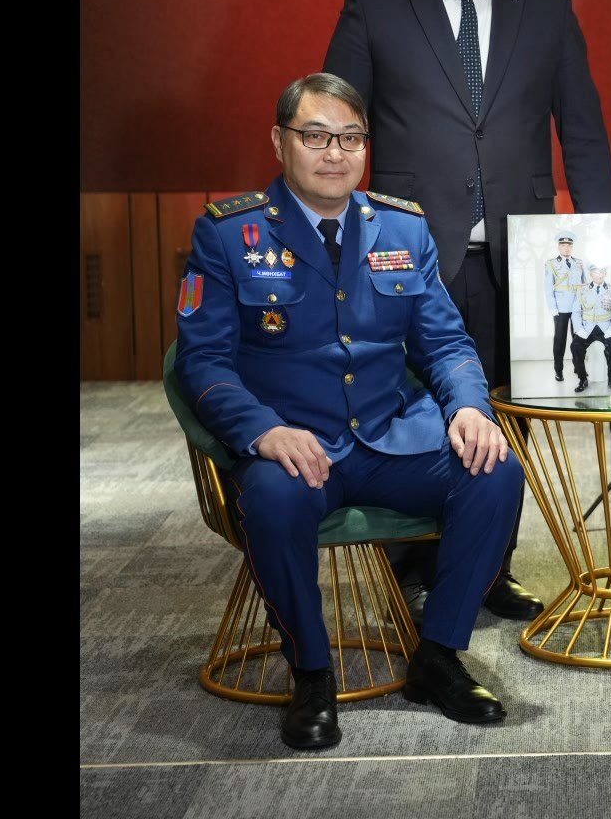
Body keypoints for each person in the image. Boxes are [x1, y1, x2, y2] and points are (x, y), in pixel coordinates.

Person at [174, 73, 524, 751]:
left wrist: (470, 407)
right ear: (279, 141)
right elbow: (203, 362)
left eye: (350, 138)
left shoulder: (403, 227)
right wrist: (263, 430)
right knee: (273, 500)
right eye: (315, 136)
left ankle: (439, 656)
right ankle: (311, 674)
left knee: (495, 470)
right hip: (295, 446)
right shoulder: (230, 233)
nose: (334, 153)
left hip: (391, 436)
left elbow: (445, 342)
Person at [324, 0, 611, 622]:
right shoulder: (375, 6)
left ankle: (490, 567)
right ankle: (414, 568)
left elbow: (583, 132)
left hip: (521, 256)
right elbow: (336, 128)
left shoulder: (546, 10)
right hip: (407, 255)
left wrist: (601, 247)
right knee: (412, 410)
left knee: (506, 414)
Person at [569, 263, 611, 393]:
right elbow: (576, 312)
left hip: (605, 327)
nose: (598, 275)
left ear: (605, 273)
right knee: (575, 346)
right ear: (591, 274)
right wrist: (579, 329)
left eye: (601, 272)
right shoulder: (582, 290)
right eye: (595, 272)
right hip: (587, 328)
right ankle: (582, 379)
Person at [544, 232, 585, 381]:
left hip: (577, 307)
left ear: (572, 247)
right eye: (563, 245)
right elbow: (548, 288)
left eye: (569, 245)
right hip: (560, 308)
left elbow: (584, 284)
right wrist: (552, 307)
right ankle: (558, 370)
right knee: (560, 340)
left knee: (578, 339)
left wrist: (585, 305)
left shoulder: (579, 263)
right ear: (559, 247)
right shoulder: (551, 264)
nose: (566, 248)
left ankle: (578, 367)